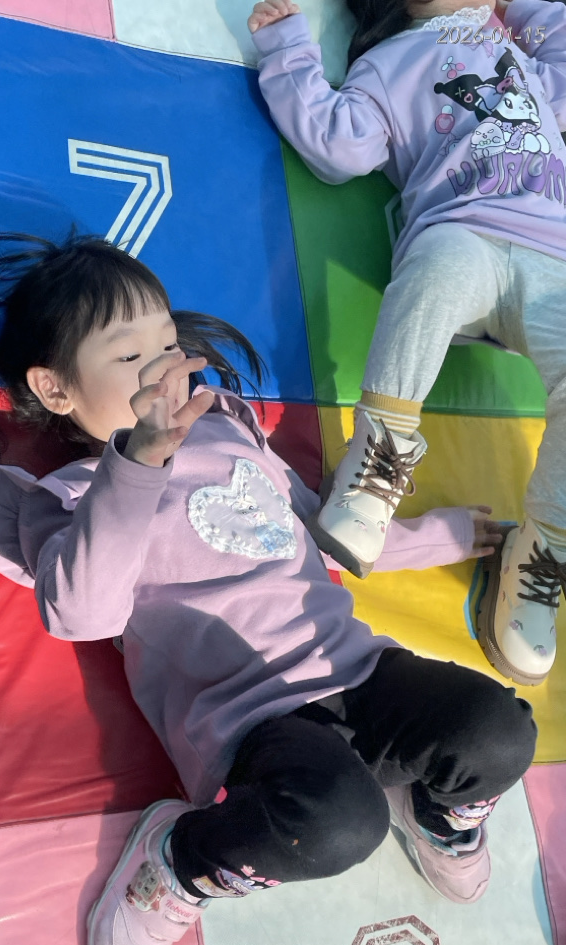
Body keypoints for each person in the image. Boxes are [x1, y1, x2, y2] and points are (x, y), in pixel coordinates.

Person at [0, 236, 536, 945]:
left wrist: (438, 538)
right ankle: (178, 863)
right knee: (335, 828)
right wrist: (141, 461)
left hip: (354, 668)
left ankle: (434, 814)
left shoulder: (230, 431)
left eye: (167, 344)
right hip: (251, 725)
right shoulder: (73, 497)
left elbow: (317, 530)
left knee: (498, 732)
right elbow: (81, 613)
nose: (164, 368)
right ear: (56, 390)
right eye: (131, 357)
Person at [248, 0, 566, 686]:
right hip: (463, 235)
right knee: (434, 271)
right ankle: (376, 465)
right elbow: (337, 145)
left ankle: (543, 551)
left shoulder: (526, 60)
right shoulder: (389, 62)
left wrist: (524, 6)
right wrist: (288, 48)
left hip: (554, 263)